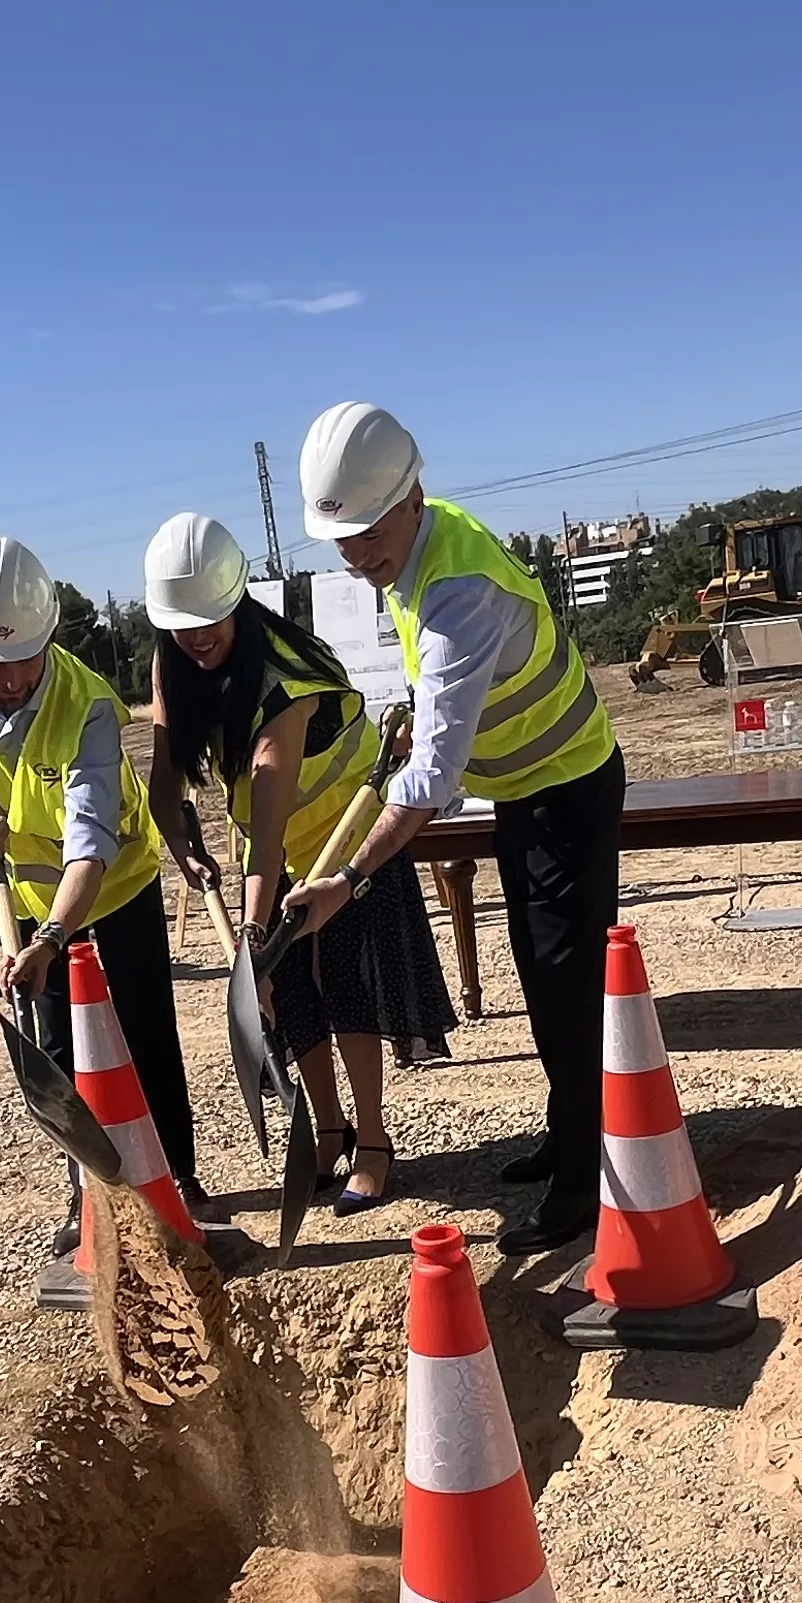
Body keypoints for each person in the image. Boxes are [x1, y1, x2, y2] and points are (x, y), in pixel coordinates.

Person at [279, 402, 624, 1258]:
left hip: (568, 783)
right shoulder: (419, 546)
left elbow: (431, 782)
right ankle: (566, 1130)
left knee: (564, 984)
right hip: (525, 788)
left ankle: (586, 1180)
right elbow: (436, 702)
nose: (355, 555)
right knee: (541, 974)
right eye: (341, 539)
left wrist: (348, 879)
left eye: (366, 532)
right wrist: (414, 713)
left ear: (413, 495)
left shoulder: (458, 590)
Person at [0, 533, 237, 1250]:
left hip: (113, 888)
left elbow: (90, 840)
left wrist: (52, 941)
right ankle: (87, 1195)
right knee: (59, 1050)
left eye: (23, 659)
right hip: (31, 899)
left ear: (48, 634)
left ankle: (178, 1178)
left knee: (144, 1034)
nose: (8, 679)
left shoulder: (88, 706)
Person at [144, 510, 450, 1216]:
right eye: (180, 624)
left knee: (347, 989)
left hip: (343, 846)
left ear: (237, 600)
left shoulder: (282, 682)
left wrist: (251, 942)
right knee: (291, 1004)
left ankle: (373, 1141)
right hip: (270, 848)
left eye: (209, 619)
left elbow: (271, 823)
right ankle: (327, 1129)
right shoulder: (173, 659)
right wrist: (176, 835)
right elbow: (165, 772)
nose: (196, 636)